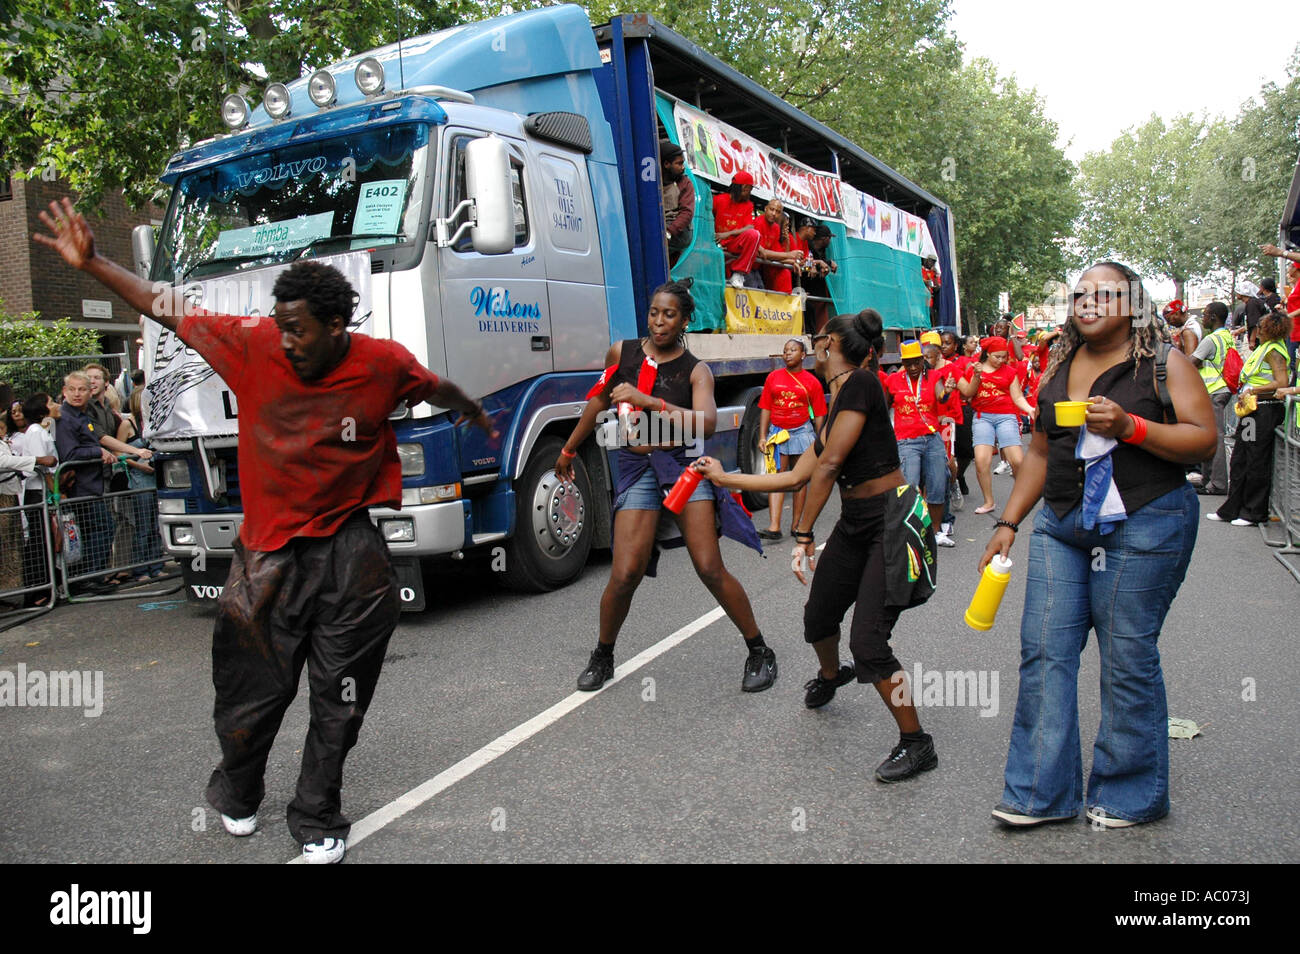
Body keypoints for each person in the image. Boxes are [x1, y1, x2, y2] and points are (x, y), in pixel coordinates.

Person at [35, 196, 496, 864]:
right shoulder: (250, 344)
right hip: (267, 553)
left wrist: (475, 410)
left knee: (340, 695)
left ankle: (316, 815)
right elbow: (164, 304)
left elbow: (435, 385)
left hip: (351, 553)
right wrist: (95, 262)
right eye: (280, 326)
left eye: (299, 329)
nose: (286, 339)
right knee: (251, 691)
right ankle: (240, 788)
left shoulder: (381, 362)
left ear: (338, 324)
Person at [982, 261, 1216, 829]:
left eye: (1104, 294)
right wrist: (1009, 522)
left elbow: (1203, 440)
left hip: (1145, 520)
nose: (1088, 302)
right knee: (1044, 652)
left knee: (1126, 658)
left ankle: (1131, 795)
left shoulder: (1165, 364)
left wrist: (1131, 427)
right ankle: (1039, 793)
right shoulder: (1056, 365)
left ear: (1134, 305)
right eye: (1080, 294)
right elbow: (1039, 454)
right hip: (1063, 524)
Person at [695, 309, 938, 782]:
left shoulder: (862, 384)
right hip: (855, 523)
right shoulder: (837, 404)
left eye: (817, 339)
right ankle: (832, 675)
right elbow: (795, 474)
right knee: (818, 617)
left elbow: (828, 469)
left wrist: (803, 534)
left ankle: (917, 742)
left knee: (868, 642)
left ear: (830, 346)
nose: (811, 346)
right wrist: (724, 477)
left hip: (890, 521)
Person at [557, 281, 773, 694]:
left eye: (669, 315)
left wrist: (650, 401)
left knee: (709, 567)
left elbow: (706, 423)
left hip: (683, 467)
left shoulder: (696, 370)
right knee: (624, 573)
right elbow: (599, 402)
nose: (659, 321)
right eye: (655, 312)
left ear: (685, 320)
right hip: (637, 466)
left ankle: (759, 649)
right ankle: (603, 655)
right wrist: (568, 449)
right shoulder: (623, 353)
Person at [1209, 311, 1292, 526]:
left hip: (1263, 410)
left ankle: (1253, 512)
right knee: (1240, 458)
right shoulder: (1264, 349)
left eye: (1260, 328)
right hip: (1251, 412)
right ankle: (1232, 508)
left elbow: (1281, 382)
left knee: (1256, 461)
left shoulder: (1274, 351)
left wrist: (1253, 390)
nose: (1256, 332)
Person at [883, 340, 955, 547]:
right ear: (903, 363)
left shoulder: (934, 376)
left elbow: (941, 397)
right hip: (906, 441)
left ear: (923, 360)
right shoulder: (894, 380)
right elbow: (885, 405)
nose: (913, 368)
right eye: (908, 363)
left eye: (917, 362)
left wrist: (947, 391)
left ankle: (936, 531)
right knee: (910, 487)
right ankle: (910, 531)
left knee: (937, 484)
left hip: (932, 439)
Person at [757, 338, 827, 541]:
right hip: (778, 432)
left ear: (803, 355)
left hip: (802, 432)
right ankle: (774, 526)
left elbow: (820, 413)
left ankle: (797, 525)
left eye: (793, 350)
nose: (788, 353)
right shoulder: (773, 377)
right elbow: (765, 407)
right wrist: (763, 436)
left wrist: (819, 440)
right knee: (776, 477)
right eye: (785, 350)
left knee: (799, 480)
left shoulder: (812, 381)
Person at [957, 335, 1035, 514]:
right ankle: (988, 501)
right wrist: (976, 375)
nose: (1001, 360)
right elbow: (968, 394)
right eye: (997, 356)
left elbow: (1017, 397)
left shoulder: (1009, 372)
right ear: (987, 354)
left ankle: (1021, 496)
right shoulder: (974, 369)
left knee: (1017, 460)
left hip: (1006, 416)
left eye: (1004, 357)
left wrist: (1029, 409)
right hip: (982, 417)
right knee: (981, 462)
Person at [1189, 301, 1234, 496]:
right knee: (1212, 436)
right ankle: (1208, 480)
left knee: (1214, 437)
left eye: (1206, 314)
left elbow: (1191, 362)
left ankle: (1217, 484)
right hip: (1223, 389)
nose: (1203, 318)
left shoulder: (1210, 340)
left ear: (1214, 317)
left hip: (1213, 389)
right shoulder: (1226, 336)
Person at [713, 172, 762, 288]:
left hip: (734, 243)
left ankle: (738, 273)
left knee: (755, 235)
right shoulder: (719, 200)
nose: (750, 192)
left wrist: (727, 234)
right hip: (716, 242)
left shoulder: (748, 205)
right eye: (750, 188)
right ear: (745, 188)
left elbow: (750, 227)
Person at [754, 199, 803, 293]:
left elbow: (776, 254)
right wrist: (790, 256)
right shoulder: (758, 223)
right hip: (750, 267)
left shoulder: (776, 228)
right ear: (765, 209)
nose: (773, 213)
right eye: (771, 209)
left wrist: (791, 262)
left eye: (777, 212)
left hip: (758, 268)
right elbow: (761, 253)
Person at [660, 139, 695, 265]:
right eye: (679, 164)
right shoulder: (653, 180)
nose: (682, 167)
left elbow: (687, 213)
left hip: (679, 231)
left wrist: (669, 232)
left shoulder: (685, 183)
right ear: (666, 164)